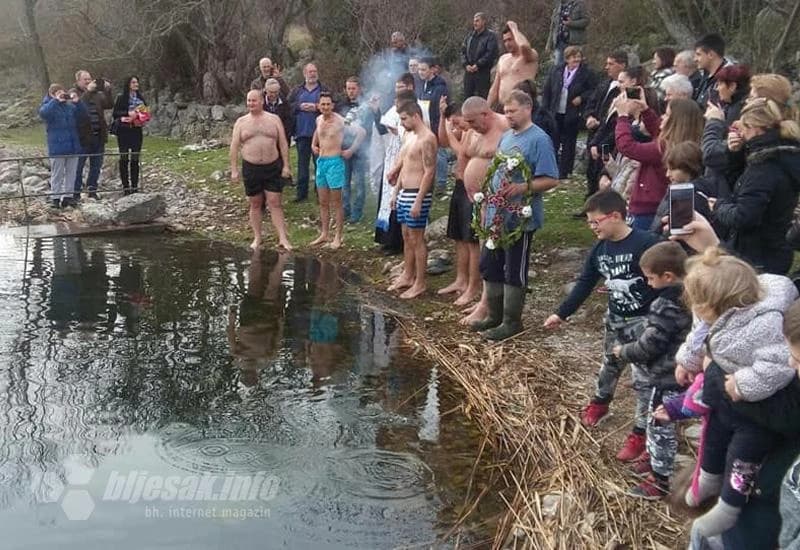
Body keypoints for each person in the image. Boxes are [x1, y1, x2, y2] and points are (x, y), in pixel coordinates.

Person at [673, 248, 798, 541]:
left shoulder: (766, 323)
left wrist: (740, 384)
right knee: (713, 438)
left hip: (757, 408)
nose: (694, 309)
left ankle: (729, 504)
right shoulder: (719, 313)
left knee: (743, 455)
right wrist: (686, 361)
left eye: (697, 304)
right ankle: (706, 478)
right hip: (729, 403)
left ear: (716, 303)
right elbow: (699, 335)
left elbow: (778, 366)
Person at [544, 191, 661, 429]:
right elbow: (585, 283)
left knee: (644, 379)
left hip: (645, 323)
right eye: (588, 222)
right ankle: (601, 401)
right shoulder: (600, 250)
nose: (591, 227)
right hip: (616, 320)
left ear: (615, 216)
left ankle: (641, 430)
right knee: (609, 363)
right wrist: (562, 313)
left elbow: (667, 281)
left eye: (595, 221)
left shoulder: (647, 243)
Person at [471, 90, 558, 340]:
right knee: (489, 264)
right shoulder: (506, 137)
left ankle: (511, 322)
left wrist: (521, 188)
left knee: (514, 269)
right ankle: (494, 316)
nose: (508, 116)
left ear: (527, 108)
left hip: (520, 218)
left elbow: (552, 179)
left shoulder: (539, 139)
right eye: (505, 111)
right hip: (496, 217)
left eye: (512, 111)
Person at [612, 241, 691, 498]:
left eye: (649, 278)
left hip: (667, 375)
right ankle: (655, 457)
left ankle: (659, 480)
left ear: (667, 276)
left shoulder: (665, 304)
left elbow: (650, 345)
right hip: (683, 371)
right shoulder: (692, 293)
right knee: (668, 420)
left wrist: (624, 352)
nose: (647, 283)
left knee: (660, 424)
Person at [712, 98, 800, 275]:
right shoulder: (785, 155)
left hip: (757, 257)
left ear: (754, 128)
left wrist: (718, 206)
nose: (741, 134)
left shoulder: (764, 166)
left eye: (743, 128)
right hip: (774, 249)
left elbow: (744, 216)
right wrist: (735, 154)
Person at [439, 96, 508, 311]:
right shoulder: (472, 130)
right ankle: (469, 287)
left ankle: (480, 294)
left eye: (472, 122)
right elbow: (464, 154)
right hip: (470, 193)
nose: (468, 127)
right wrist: (463, 176)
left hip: (495, 199)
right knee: (462, 236)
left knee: (480, 243)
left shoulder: (505, 127)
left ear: (486, 114)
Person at [615, 96, 704, 230]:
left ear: (676, 122)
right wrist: (645, 110)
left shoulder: (665, 147)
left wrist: (622, 117)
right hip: (657, 206)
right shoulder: (683, 143)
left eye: (667, 115)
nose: (662, 117)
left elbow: (628, 147)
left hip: (648, 210)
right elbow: (658, 130)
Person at [385, 101, 437, 299]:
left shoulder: (427, 138)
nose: (402, 123)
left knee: (417, 238)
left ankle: (420, 282)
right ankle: (408, 274)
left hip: (418, 192)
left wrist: (419, 200)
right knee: (406, 236)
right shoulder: (410, 136)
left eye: (404, 118)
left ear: (416, 115)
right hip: (405, 190)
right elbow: (405, 165)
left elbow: (430, 171)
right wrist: (395, 192)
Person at [229, 89, 293, 251]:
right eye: (249, 101)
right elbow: (234, 146)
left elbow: (283, 143)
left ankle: (283, 238)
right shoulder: (241, 122)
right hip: (251, 167)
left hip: (272, 166)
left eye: (254, 100)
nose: (251, 103)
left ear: (261, 101)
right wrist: (234, 170)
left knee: (275, 202)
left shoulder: (274, 119)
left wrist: (286, 165)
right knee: (255, 203)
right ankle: (257, 237)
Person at [310, 91, 365, 249]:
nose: (325, 107)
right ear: (319, 106)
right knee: (322, 201)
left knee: (337, 202)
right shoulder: (318, 119)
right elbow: (317, 132)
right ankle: (324, 233)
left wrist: (351, 150)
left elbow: (361, 132)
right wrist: (314, 144)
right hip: (322, 162)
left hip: (335, 162)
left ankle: (338, 236)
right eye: (323, 104)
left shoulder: (340, 121)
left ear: (332, 106)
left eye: (328, 104)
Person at [541, 45, 597, 179]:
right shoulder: (556, 70)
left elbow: (594, 91)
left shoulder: (586, 73)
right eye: (573, 57)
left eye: (578, 57)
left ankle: (564, 172)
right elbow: (548, 90)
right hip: (556, 111)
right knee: (553, 141)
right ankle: (550, 169)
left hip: (573, 113)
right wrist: (546, 109)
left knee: (569, 143)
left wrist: (581, 97)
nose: (576, 59)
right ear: (567, 59)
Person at [581, 51, 627, 204]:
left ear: (622, 65)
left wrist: (599, 142)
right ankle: (591, 200)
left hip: (608, 139)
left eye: (611, 64)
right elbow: (591, 103)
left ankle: (603, 202)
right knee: (591, 170)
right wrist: (589, 116)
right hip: (595, 134)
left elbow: (614, 122)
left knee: (605, 168)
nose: (606, 67)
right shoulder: (604, 85)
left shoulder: (623, 93)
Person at [701, 64, 751, 198]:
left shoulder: (739, 112)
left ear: (732, 86)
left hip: (728, 187)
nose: (717, 89)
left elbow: (711, 154)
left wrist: (714, 121)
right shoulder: (733, 108)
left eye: (720, 84)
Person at [649, 141, 713, 234]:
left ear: (688, 167)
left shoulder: (695, 197)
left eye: (672, 169)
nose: (667, 174)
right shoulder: (674, 191)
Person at [288, 63, 330, 202]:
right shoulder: (297, 91)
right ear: (304, 73)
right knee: (302, 165)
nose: (312, 74)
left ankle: (320, 193)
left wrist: (317, 107)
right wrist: (299, 106)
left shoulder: (323, 89)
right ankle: (301, 194)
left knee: (320, 164)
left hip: (321, 134)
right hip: (302, 133)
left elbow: (333, 105)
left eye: (315, 71)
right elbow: (288, 106)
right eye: (310, 71)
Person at [39, 83, 82, 209]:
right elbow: (43, 114)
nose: (61, 95)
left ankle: (68, 197)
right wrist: (55, 101)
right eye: (57, 93)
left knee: (71, 173)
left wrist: (77, 102)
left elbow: (82, 116)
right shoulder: (48, 105)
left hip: (72, 144)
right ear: (52, 94)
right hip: (57, 146)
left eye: (62, 92)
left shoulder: (69, 106)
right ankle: (55, 198)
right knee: (57, 174)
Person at [336, 76, 372, 223]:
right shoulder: (340, 106)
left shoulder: (366, 106)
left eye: (353, 88)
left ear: (359, 89)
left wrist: (353, 148)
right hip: (343, 149)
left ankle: (357, 212)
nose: (350, 91)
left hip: (359, 150)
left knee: (359, 183)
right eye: (348, 88)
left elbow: (366, 130)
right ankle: (345, 210)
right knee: (344, 183)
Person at [73, 70, 113, 200]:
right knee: (78, 167)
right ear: (78, 81)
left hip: (98, 136)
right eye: (85, 79)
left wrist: (108, 91)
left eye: (90, 79)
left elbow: (109, 104)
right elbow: (77, 106)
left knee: (96, 166)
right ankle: (76, 193)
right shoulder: (72, 93)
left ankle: (92, 190)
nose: (88, 81)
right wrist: (88, 91)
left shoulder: (97, 94)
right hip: (82, 137)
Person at [488, 21, 539, 110]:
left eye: (510, 39)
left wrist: (514, 29)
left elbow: (524, 46)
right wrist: (487, 108)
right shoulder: (503, 59)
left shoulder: (529, 56)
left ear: (517, 38)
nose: (507, 43)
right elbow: (495, 88)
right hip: (503, 107)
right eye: (505, 41)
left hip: (522, 107)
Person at [415, 58, 449, 193]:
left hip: (436, 123)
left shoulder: (440, 86)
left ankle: (441, 183)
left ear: (432, 69)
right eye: (419, 69)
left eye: (423, 69)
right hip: (425, 124)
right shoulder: (422, 85)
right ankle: (429, 180)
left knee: (440, 153)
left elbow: (436, 105)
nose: (420, 72)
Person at [112, 75, 147, 195]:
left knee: (135, 159)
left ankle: (135, 186)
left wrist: (142, 116)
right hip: (124, 131)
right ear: (128, 84)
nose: (136, 84)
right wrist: (128, 113)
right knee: (124, 158)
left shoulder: (140, 98)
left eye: (137, 82)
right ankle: (126, 187)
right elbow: (115, 113)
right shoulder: (121, 98)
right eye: (133, 82)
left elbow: (146, 112)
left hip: (136, 130)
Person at [461, 12, 499, 99]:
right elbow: (462, 52)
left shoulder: (490, 36)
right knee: (467, 98)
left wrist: (478, 65)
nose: (475, 23)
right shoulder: (469, 36)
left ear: (484, 22)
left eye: (477, 21)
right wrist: (465, 64)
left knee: (483, 98)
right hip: (469, 72)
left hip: (482, 72)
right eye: (474, 21)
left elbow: (491, 53)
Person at [693, 33, 733, 108]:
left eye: (698, 55)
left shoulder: (729, 78)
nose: (695, 59)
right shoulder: (705, 76)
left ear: (711, 55)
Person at [548, 0, 589, 67]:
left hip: (574, 43)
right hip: (559, 42)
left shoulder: (579, 4)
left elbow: (586, 21)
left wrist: (571, 23)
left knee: (575, 67)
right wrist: (549, 44)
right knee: (558, 67)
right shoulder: (558, 5)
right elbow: (553, 26)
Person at [263, 78, 294, 144]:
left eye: (276, 92)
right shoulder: (260, 103)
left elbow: (289, 121)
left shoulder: (285, 103)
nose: (274, 95)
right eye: (271, 92)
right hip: (263, 139)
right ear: (265, 90)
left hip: (281, 139)